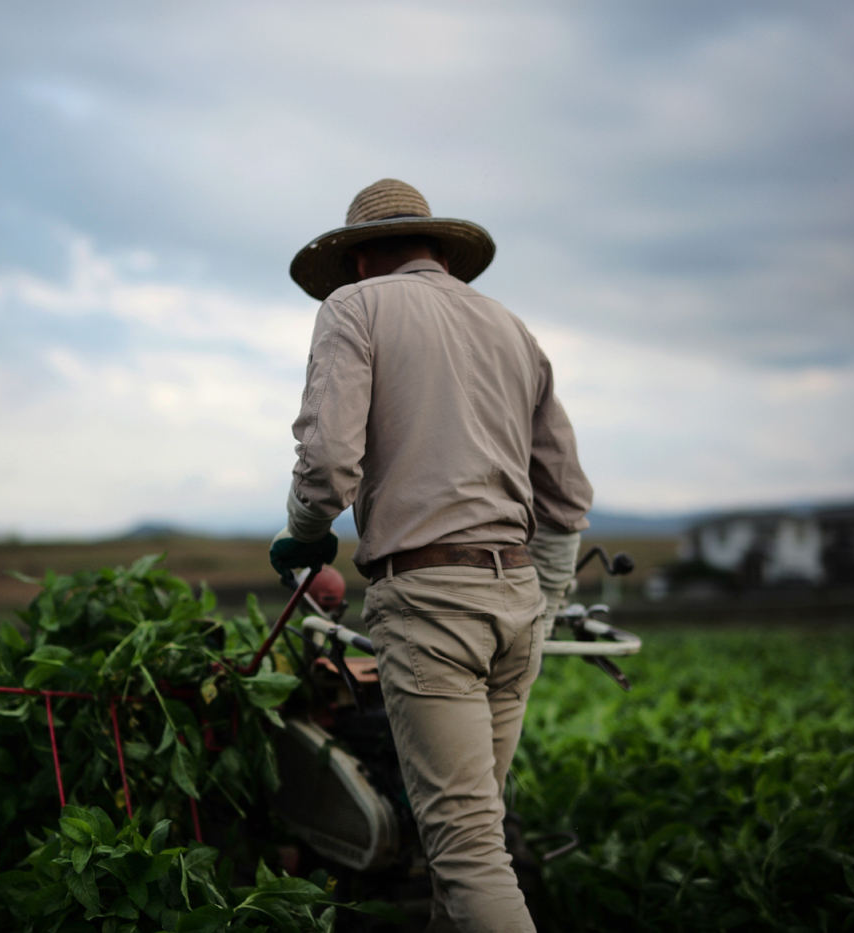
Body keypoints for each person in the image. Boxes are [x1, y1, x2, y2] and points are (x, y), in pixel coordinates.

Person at [269, 179, 593, 933]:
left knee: (467, 850)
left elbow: (326, 463)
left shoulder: (355, 308)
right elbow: (566, 495)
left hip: (431, 599)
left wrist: (305, 532)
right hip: (514, 604)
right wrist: (541, 606)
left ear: (357, 260)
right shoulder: (512, 329)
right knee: (460, 850)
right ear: (442, 251)